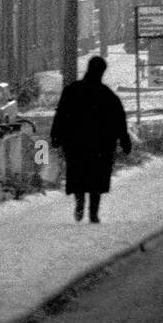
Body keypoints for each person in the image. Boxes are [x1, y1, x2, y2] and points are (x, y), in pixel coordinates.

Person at [50, 56, 131, 224]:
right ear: (101, 72)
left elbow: (61, 115)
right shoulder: (107, 95)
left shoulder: (72, 90)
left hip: (75, 142)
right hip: (101, 144)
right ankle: (93, 212)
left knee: (78, 172)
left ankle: (80, 202)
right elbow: (119, 120)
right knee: (98, 175)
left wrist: (56, 136)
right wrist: (124, 141)